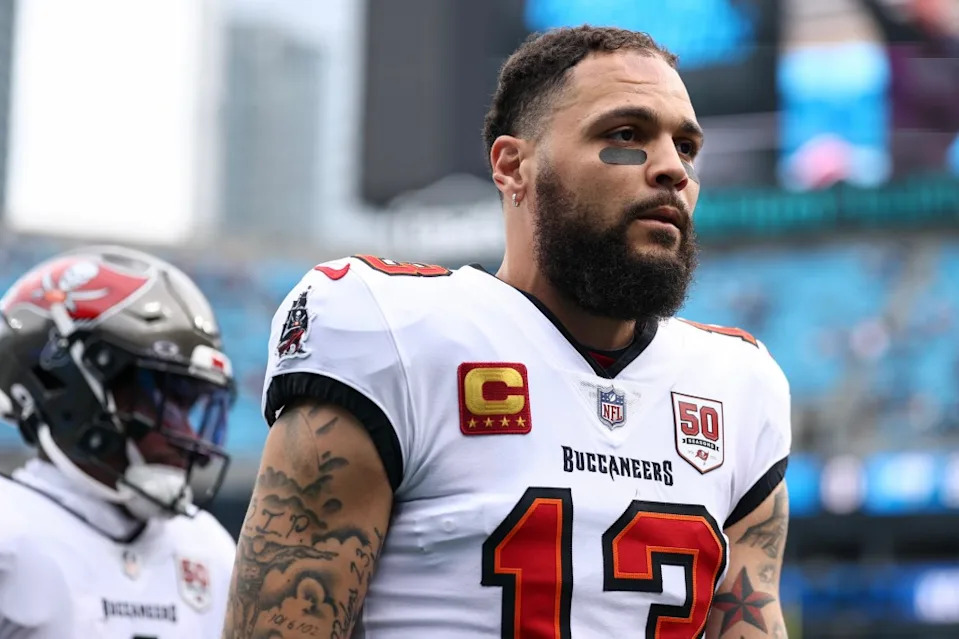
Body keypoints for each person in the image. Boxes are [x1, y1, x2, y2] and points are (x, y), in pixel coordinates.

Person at [225, 26, 791, 639]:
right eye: (625, 135)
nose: (671, 170)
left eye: (685, 146)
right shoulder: (393, 331)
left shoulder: (738, 385)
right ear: (513, 165)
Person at [0, 246, 238, 638]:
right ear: (69, 389)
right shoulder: (11, 535)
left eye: (189, 405)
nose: (189, 436)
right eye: (162, 398)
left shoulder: (208, 549)